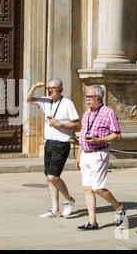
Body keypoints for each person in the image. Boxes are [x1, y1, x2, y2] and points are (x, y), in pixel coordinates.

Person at [75, 85, 126, 230]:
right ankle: (92, 222)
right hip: (85, 153)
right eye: (86, 96)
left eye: (90, 97)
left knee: (97, 188)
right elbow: (83, 135)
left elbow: (117, 134)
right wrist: (79, 156)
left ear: (99, 98)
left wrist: (98, 140)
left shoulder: (108, 112)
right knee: (87, 188)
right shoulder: (87, 113)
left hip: (99, 153)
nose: (87, 100)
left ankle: (119, 208)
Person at [27, 78, 80, 218]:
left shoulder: (68, 103)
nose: (50, 90)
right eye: (49, 88)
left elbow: (77, 125)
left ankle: (69, 200)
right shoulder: (45, 101)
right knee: (48, 177)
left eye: (53, 88)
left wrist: (60, 125)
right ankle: (54, 209)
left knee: (53, 177)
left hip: (61, 143)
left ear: (60, 89)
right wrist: (34, 87)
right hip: (49, 143)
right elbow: (28, 99)